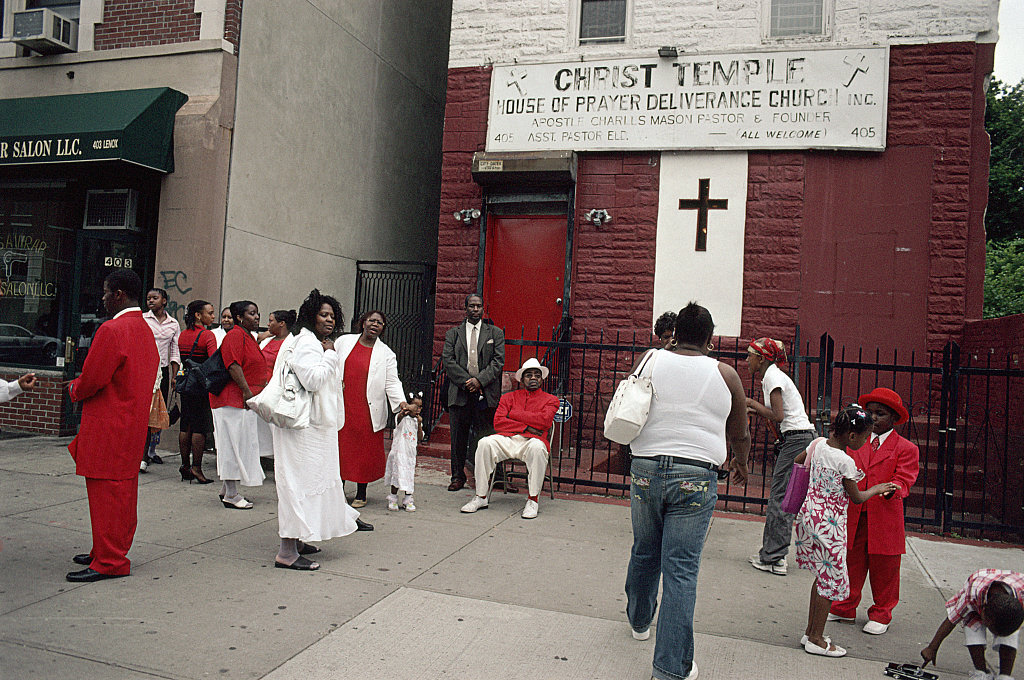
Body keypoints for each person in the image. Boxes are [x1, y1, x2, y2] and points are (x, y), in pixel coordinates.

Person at [624, 302, 751, 680]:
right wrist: (741, 461)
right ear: (711, 338)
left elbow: (629, 402)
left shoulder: (650, 359)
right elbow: (740, 430)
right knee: (680, 570)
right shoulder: (726, 374)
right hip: (696, 475)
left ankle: (639, 620)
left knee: (645, 549)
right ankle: (669, 668)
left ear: (676, 331)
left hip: (645, 468)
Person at [65, 268, 159, 582]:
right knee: (120, 495)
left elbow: (92, 379)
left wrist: (74, 388)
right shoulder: (145, 329)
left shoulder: (112, 329)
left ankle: (109, 560)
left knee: (105, 494)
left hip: (109, 423)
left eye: (106, 292)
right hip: (131, 425)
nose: (103, 298)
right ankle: (106, 550)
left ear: (118, 294)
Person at [272, 290, 369, 571]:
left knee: (310, 485)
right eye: (323, 314)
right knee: (297, 485)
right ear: (310, 316)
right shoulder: (308, 343)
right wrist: (329, 356)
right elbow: (313, 380)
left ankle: (299, 541)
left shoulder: (312, 342)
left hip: (314, 428)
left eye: (332, 315)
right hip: (304, 429)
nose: (329, 320)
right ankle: (286, 552)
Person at [793, 405, 899, 657]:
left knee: (821, 575)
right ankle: (816, 639)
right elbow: (858, 498)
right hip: (830, 524)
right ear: (852, 436)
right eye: (864, 437)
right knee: (830, 581)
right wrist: (878, 488)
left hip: (810, 517)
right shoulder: (846, 461)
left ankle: (810, 632)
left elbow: (798, 461)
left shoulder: (818, 444)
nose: (865, 442)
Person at [829, 387, 920, 635]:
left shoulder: (906, 448)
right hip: (855, 513)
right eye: (870, 412)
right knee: (851, 562)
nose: (874, 417)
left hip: (884, 515)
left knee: (886, 567)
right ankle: (844, 606)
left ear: (894, 418)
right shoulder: (855, 441)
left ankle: (882, 612)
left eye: (880, 413)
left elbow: (905, 477)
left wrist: (895, 488)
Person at [746, 337, 816, 576]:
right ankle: (772, 553)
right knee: (782, 495)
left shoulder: (773, 378)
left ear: (762, 358)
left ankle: (774, 558)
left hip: (796, 439)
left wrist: (750, 402)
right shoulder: (773, 376)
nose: (747, 360)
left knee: (781, 497)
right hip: (798, 438)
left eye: (750, 355)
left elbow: (777, 415)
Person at [460, 358, 560, 519]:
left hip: (532, 442)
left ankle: (533, 500)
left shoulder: (551, 400)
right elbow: (499, 422)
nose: (533, 378)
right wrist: (526, 426)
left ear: (542, 379)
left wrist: (513, 415)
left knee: (537, 448)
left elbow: (544, 422)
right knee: (485, 442)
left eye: (537, 375)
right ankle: (480, 497)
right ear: (522, 379)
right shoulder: (508, 397)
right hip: (507, 439)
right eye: (529, 375)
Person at [335, 310, 408, 508]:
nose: (375, 324)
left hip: (368, 410)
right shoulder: (343, 342)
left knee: (363, 452)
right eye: (371, 320)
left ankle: (361, 493)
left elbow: (392, 382)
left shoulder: (386, 354)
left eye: (380, 323)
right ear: (363, 323)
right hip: (343, 405)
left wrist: (401, 403)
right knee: (340, 450)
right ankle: (336, 493)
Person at [442, 293, 505, 491]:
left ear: (483, 308)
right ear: (465, 308)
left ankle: (494, 477)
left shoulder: (495, 333)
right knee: (458, 437)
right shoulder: (453, 334)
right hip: (460, 392)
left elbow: (498, 362)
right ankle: (457, 476)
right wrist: (467, 382)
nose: (475, 309)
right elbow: (448, 361)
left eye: (478, 306)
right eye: (471, 306)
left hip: (484, 393)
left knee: (487, 436)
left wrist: (479, 381)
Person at [211, 300, 267, 509]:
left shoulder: (247, 336)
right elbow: (233, 365)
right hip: (232, 399)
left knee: (236, 444)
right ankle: (231, 495)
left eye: (257, 313)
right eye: (252, 314)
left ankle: (227, 489)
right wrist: (246, 391)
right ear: (240, 318)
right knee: (232, 445)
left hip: (239, 400)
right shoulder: (235, 335)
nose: (257, 317)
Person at [921, 569, 1024, 680]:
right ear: (982, 611)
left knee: (1010, 637)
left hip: (1009, 595)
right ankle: (981, 672)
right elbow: (951, 619)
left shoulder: (1020, 597)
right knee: (972, 628)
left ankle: (1005, 676)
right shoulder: (971, 596)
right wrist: (932, 648)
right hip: (980, 584)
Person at [177, 300, 218, 484]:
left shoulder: (183, 335)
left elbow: (181, 359)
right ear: (198, 315)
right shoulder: (207, 335)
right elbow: (213, 360)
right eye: (210, 313)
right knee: (199, 427)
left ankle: (185, 465)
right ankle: (197, 468)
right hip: (200, 386)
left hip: (185, 384)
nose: (213, 316)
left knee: (185, 425)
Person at [141, 287, 181, 470]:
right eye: (149, 298)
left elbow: (175, 351)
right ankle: (141, 454)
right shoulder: (143, 319)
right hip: (145, 369)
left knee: (158, 411)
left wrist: (175, 376)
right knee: (145, 412)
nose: (151, 301)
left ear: (164, 301)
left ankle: (151, 451)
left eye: (155, 298)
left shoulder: (173, 324)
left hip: (163, 371)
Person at [257, 309, 296, 458]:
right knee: (260, 430)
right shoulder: (267, 340)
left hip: (276, 392)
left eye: (271, 320)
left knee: (276, 431)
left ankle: (279, 462)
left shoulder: (292, 343)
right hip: (260, 391)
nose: (268, 324)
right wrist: (264, 335)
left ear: (281, 323)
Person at [384, 392, 424, 512]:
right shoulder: (402, 418)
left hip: (410, 454)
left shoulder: (418, 421)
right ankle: (393, 498)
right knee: (396, 475)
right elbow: (399, 419)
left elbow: (420, 437)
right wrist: (404, 410)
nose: (418, 410)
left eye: (420, 407)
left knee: (408, 476)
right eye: (415, 406)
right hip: (398, 453)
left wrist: (420, 423)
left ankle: (408, 498)